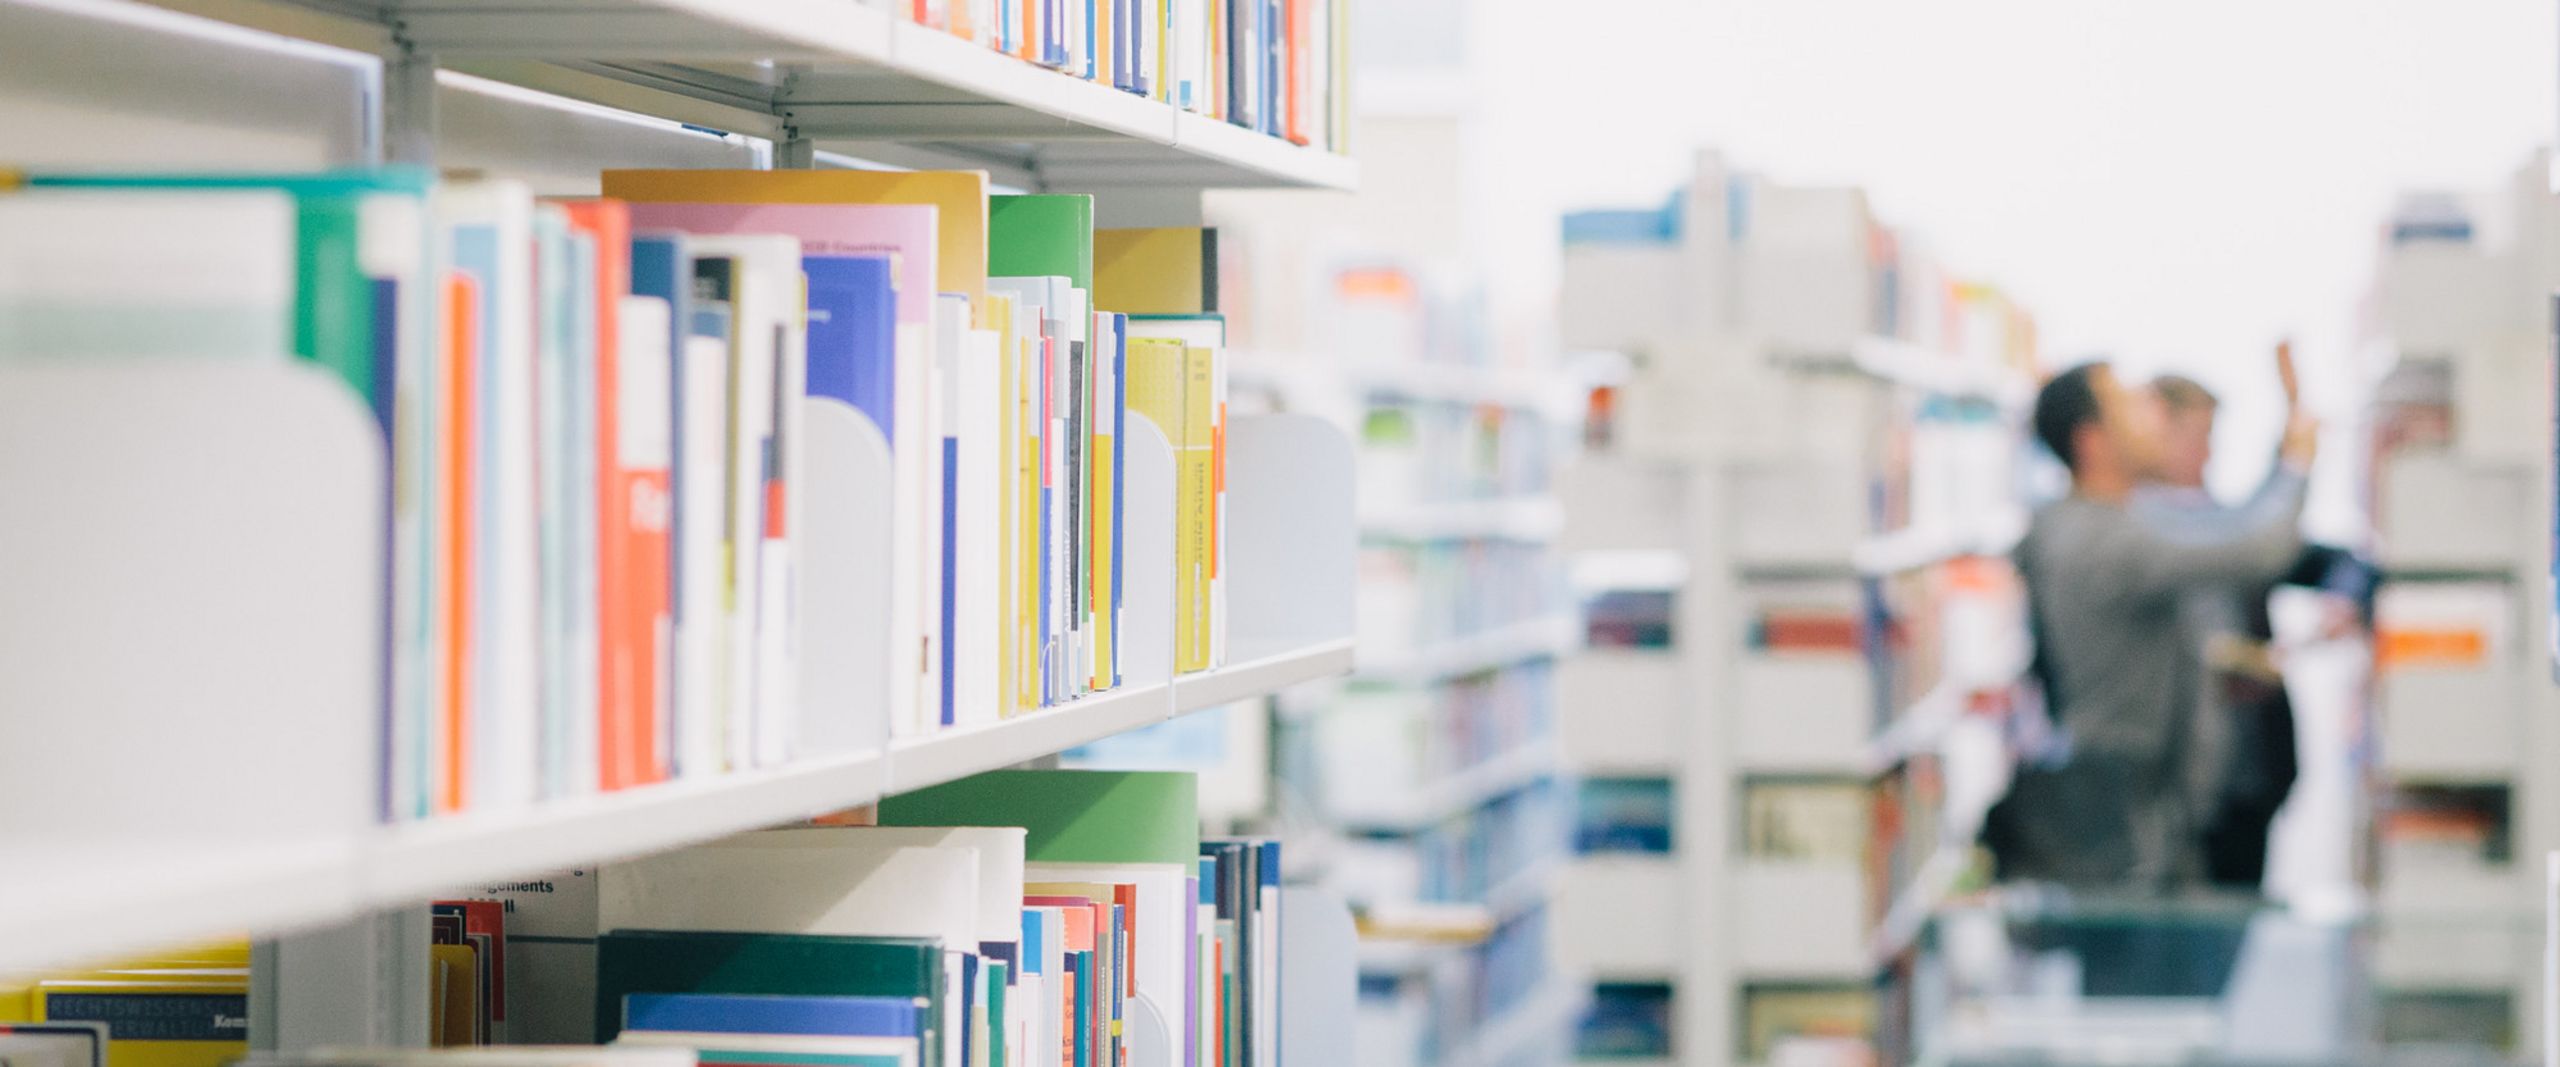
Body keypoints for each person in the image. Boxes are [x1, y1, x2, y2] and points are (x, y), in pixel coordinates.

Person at [1984, 354, 2317, 892]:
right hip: (2121, 823)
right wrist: (2299, 458)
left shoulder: (2108, 519)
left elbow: (2219, 529)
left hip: (2135, 807)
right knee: (2140, 969)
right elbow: (2259, 546)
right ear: (2093, 442)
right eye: (2133, 408)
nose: (2155, 418)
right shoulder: (2105, 540)